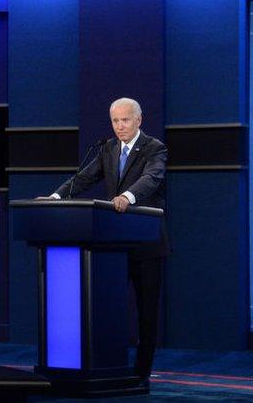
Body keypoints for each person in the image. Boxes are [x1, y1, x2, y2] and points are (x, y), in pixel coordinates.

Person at [42, 97, 167, 384]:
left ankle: (141, 374)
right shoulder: (108, 149)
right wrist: (56, 196)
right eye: (115, 121)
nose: (120, 126)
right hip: (114, 246)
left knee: (146, 313)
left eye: (125, 120)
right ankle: (109, 367)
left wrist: (127, 196)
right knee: (108, 307)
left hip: (147, 245)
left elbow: (152, 179)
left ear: (138, 120)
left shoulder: (155, 148)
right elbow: (84, 178)